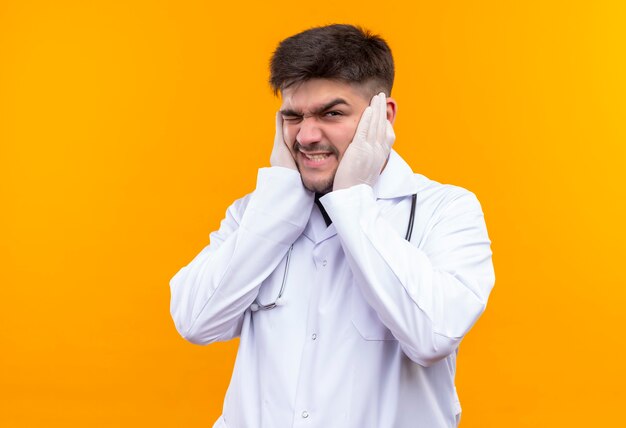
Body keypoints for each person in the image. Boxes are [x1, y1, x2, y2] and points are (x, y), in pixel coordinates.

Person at [170, 24, 495, 428]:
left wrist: (352, 202)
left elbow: (433, 335)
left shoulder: (446, 210)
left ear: (384, 115)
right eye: (293, 116)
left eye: (332, 113)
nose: (306, 136)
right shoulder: (254, 212)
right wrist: (276, 202)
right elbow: (196, 321)